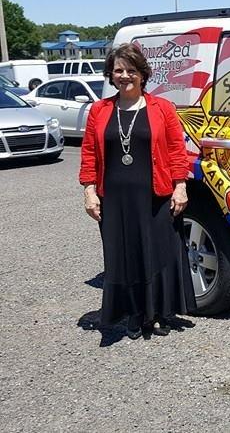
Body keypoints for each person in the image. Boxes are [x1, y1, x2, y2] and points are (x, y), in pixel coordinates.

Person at [79, 43, 196, 340]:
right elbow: (89, 153)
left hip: (155, 195)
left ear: (143, 74)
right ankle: (132, 314)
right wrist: (89, 192)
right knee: (123, 256)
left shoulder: (162, 108)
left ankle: (156, 312)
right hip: (114, 198)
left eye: (131, 70)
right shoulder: (100, 110)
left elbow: (176, 151)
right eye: (118, 70)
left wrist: (180, 186)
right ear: (110, 75)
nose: (125, 76)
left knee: (157, 254)